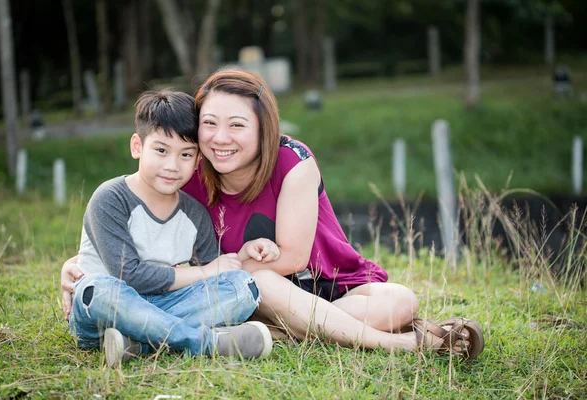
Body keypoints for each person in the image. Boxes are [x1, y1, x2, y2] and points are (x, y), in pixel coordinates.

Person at [63, 71, 484, 359]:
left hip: (324, 288)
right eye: (209, 124)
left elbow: (294, 259)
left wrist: (227, 265)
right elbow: (132, 228)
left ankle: (281, 334)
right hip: (248, 293)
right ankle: (403, 345)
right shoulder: (188, 169)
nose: (220, 138)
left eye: (237, 125)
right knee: (256, 279)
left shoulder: (292, 160)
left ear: (264, 126)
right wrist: (76, 265)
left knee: (401, 300)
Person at [67, 89, 277, 368]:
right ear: (137, 147)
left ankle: (138, 343)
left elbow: (216, 275)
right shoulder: (110, 198)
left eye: (186, 155)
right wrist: (203, 272)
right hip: (105, 313)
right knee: (99, 288)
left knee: (242, 287)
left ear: (198, 160)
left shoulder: (194, 214)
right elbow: (129, 275)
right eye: (161, 150)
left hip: (163, 305)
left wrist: (245, 254)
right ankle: (206, 343)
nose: (172, 166)